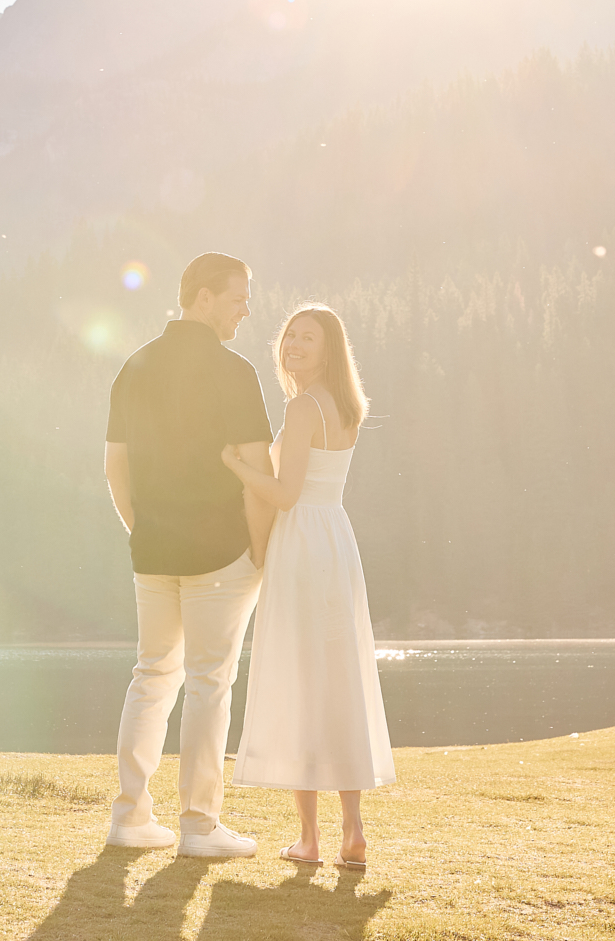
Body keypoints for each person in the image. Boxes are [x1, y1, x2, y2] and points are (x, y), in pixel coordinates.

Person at [101, 251, 275, 858]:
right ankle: (199, 826)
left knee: (151, 676)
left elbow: (114, 468)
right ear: (203, 297)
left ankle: (130, 816)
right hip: (221, 554)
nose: (245, 308)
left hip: (151, 551)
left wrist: (140, 528)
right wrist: (261, 550)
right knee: (208, 683)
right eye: (237, 296)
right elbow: (258, 470)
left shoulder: (135, 365)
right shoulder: (235, 372)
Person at [222, 303, 395, 867]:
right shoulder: (347, 406)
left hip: (301, 544)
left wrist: (236, 467)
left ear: (328, 349)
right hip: (336, 541)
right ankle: (353, 829)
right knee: (337, 679)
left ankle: (310, 840)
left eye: (307, 338)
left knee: (301, 679)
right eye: (290, 335)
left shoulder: (302, 407)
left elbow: (285, 493)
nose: (293, 344)